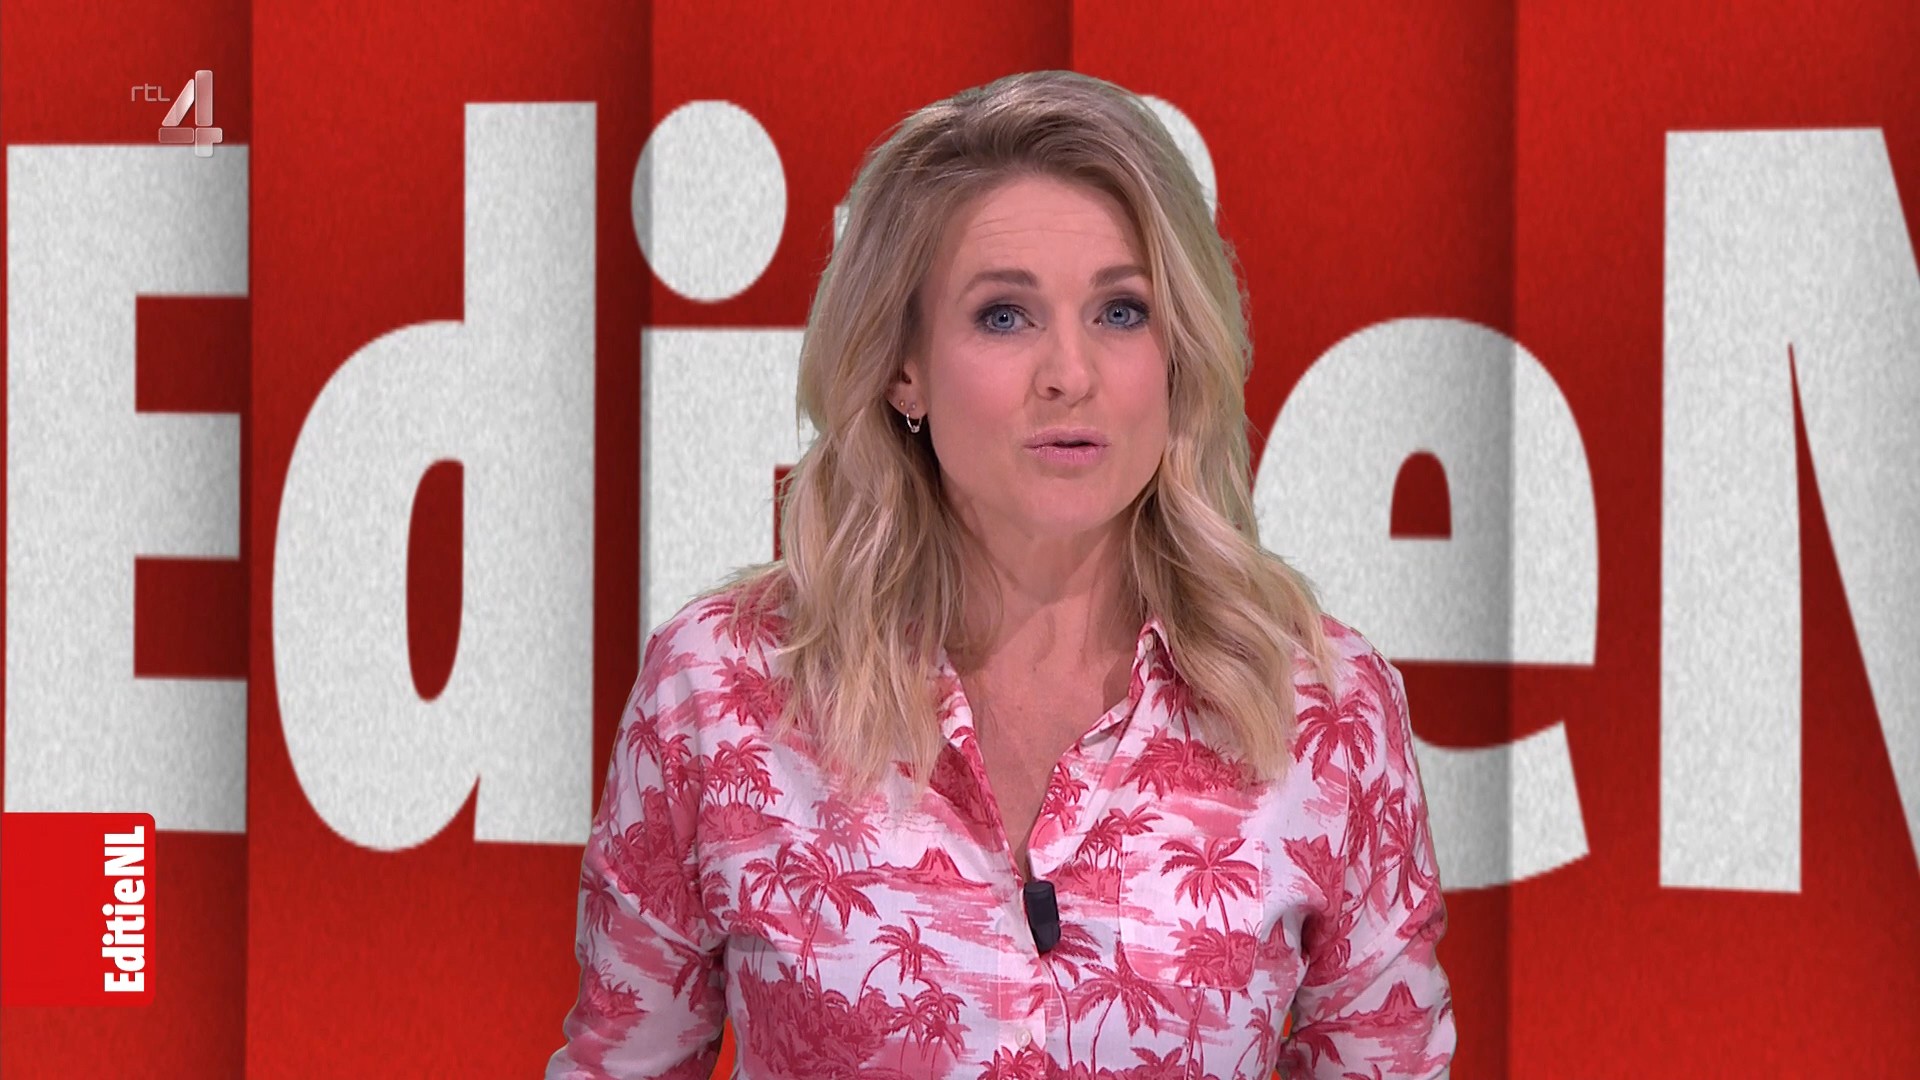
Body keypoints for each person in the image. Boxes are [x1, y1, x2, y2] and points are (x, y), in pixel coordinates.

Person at [546, 69, 1454, 1079]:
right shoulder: (721, 688)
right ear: (904, 367)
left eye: (1121, 312)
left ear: (1177, 356)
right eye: (1005, 316)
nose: (1070, 373)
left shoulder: (1323, 708)